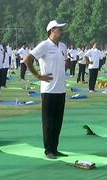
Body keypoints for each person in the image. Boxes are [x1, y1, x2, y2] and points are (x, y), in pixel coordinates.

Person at [25, 20, 68, 159]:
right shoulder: (44, 45)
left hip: (61, 89)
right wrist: (38, 75)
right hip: (49, 90)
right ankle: (48, 149)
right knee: (48, 121)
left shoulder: (63, 46)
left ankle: (55, 148)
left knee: (58, 121)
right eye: (59, 29)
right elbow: (28, 60)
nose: (62, 32)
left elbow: (64, 62)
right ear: (52, 31)